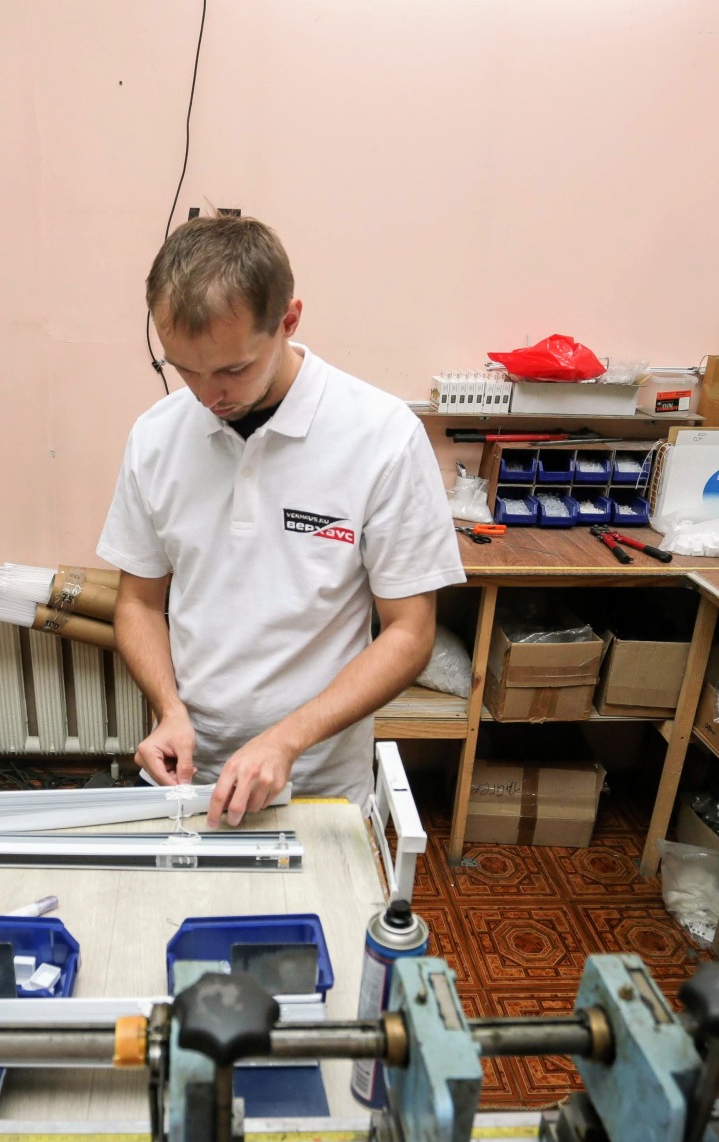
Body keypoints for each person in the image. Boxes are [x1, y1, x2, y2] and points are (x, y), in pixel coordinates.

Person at [96, 215, 464, 825]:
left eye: (232, 369)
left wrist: (286, 741)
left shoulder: (381, 436)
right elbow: (137, 602)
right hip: (190, 774)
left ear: (289, 321)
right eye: (184, 368)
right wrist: (169, 709)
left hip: (318, 781)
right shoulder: (156, 437)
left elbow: (409, 633)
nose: (207, 395)